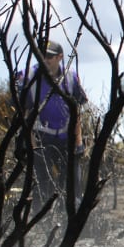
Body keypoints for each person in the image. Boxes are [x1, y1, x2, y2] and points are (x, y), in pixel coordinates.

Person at [19, 40, 88, 215]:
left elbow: (76, 111)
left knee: (73, 184)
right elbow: (24, 114)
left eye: (49, 56)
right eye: (42, 55)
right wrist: (33, 148)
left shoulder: (71, 77)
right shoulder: (28, 77)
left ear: (59, 57)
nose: (45, 59)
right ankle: (39, 223)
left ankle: (73, 222)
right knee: (42, 184)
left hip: (66, 137)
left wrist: (78, 142)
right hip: (40, 137)